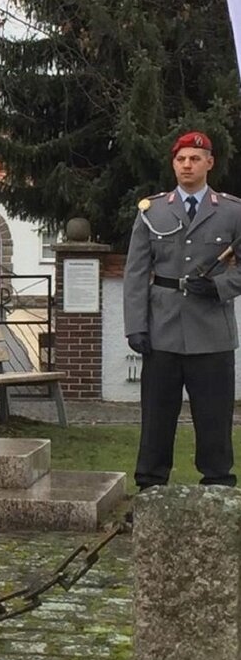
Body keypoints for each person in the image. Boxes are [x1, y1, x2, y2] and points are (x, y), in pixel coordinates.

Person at [124, 131, 241, 493]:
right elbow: (136, 272)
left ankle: (218, 486)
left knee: (214, 417)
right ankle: (150, 486)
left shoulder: (233, 211)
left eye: (194, 158)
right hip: (163, 329)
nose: (187, 165)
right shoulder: (153, 210)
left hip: (211, 331)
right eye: (181, 159)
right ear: (173, 164)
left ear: (209, 163)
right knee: (157, 415)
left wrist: (221, 287)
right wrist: (135, 327)